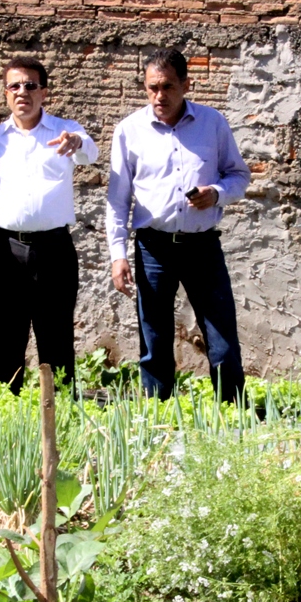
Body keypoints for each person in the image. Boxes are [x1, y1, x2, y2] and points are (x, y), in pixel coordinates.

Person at [106, 49, 251, 402]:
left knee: (221, 334)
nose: (160, 95)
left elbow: (239, 176)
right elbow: (118, 199)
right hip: (153, 246)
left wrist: (215, 193)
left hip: (203, 247)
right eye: (152, 87)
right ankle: (158, 410)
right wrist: (117, 254)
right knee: (153, 335)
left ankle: (232, 411)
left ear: (186, 84)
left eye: (168, 86)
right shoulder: (129, 131)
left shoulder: (212, 123)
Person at [0, 56, 97, 394]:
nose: (22, 92)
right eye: (14, 86)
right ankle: (3, 417)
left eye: (30, 85)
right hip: (5, 250)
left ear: (44, 92)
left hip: (53, 249)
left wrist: (78, 144)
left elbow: (91, 153)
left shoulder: (65, 131)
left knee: (56, 341)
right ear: (5, 93)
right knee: (5, 342)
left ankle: (59, 420)